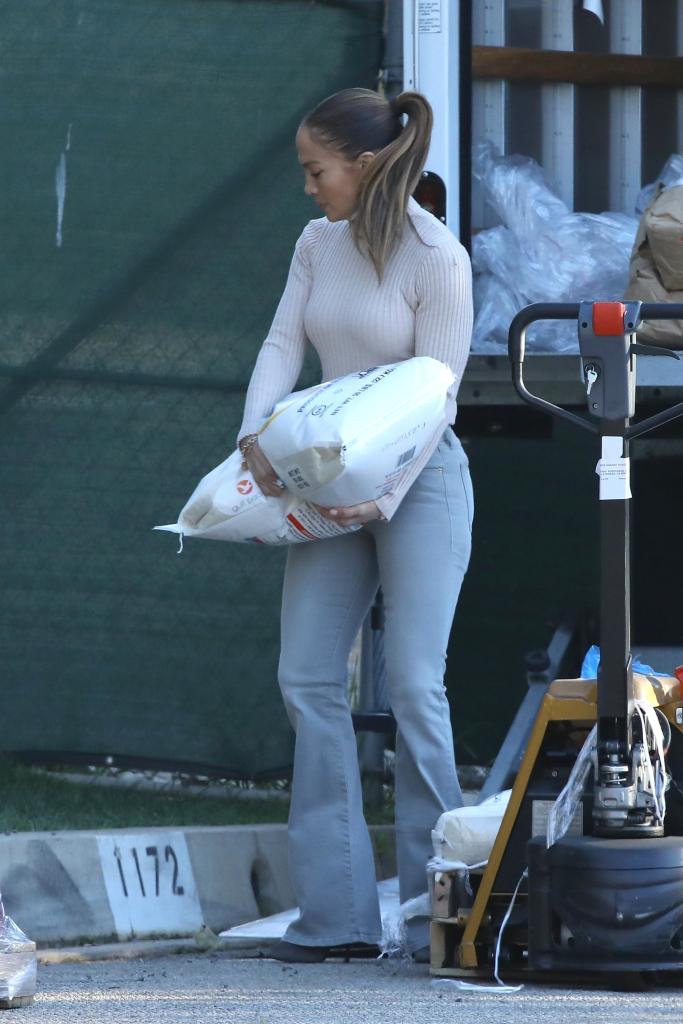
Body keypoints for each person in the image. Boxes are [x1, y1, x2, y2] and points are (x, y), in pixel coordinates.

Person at [236, 88, 473, 963]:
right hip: (324, 484)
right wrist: (255, 440)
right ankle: (334, 921)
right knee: (306, 677)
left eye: (316, 170)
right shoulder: (315, 245)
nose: (308, 187)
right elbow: (278, 347)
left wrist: (375, 498)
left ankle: (435, 912)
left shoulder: (436, 258)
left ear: (364, 166)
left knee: (414, 686)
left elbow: (434, 400)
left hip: (419, 482)